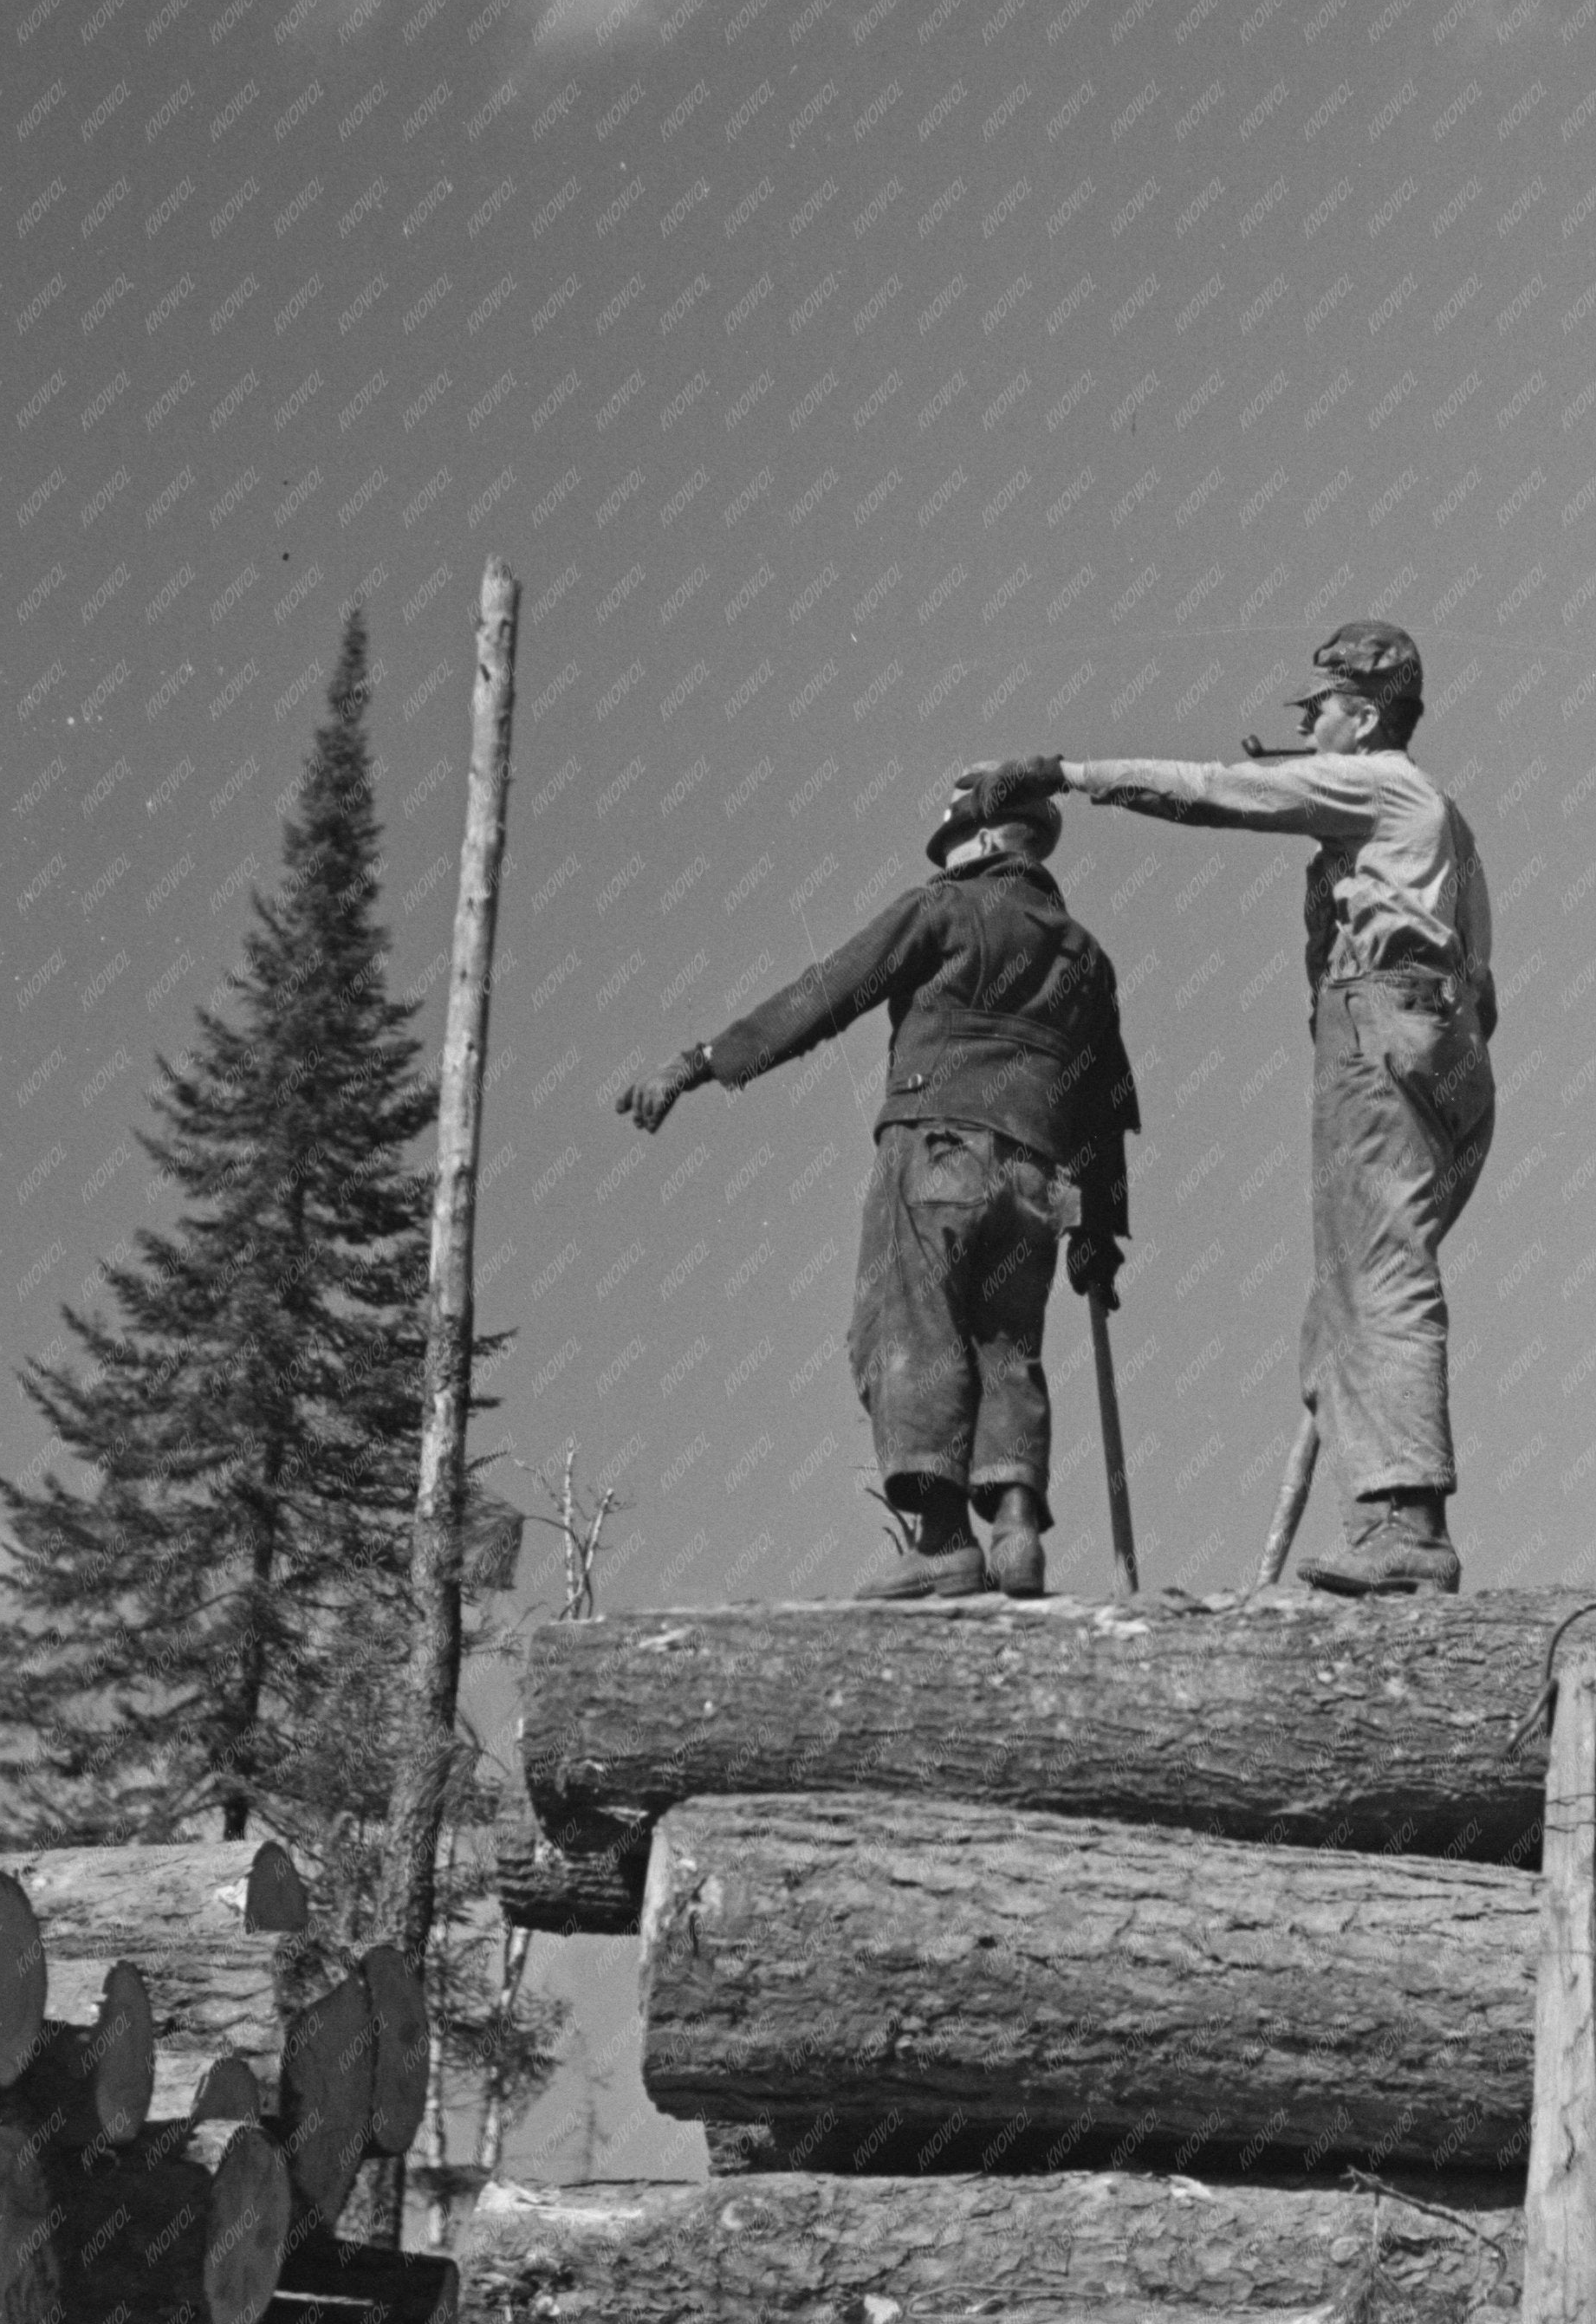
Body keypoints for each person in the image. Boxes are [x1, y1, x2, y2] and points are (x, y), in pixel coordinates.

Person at [960, 620, 1493, 1594]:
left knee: (1375, 1278)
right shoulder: (1447, 819)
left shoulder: (1372, 781)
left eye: (1319, 708)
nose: (1307, 724)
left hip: (1378, 1023)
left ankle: (1407, 1528)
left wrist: (1069, 772)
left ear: (1365, 714)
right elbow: (1482, 996)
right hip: (1445, 1054)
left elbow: (1217, 793)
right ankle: (1377, 1524)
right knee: (1357, 1291)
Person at [615, 782, 1139, 1600]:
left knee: (908, 1329)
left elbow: (830, 990)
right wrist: (1098, 1228)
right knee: (1006, 1344)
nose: (952, 858)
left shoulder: (945, 909)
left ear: (989, 841)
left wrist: (702, 1062)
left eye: (959, 843)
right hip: (1039, 1179)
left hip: (937, 1149)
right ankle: (1015, 1528)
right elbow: (1107, 1099)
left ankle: (941, 1542)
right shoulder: (1086, 955)